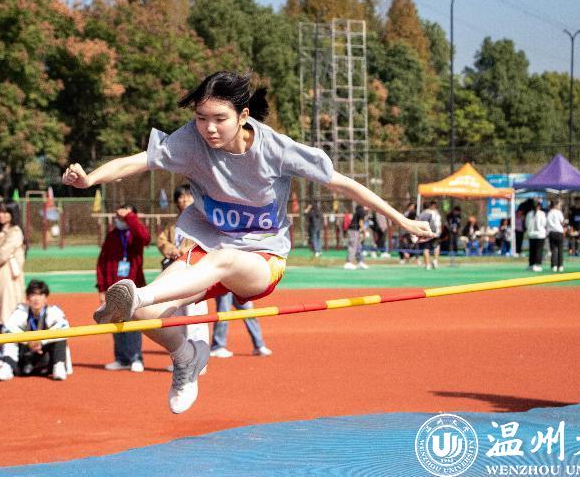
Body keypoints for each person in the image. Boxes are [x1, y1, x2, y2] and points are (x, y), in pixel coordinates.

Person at [62, 71, 432, 414]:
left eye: (219, 119)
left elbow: (343, 184)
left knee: (213, 263)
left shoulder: (276, 150)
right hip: (207, 247)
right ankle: (186, 357)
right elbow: (138, 161)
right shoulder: (191, 140)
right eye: (201, 117)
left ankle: (138, 296)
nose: (208, 128)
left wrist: (400, 220)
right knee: (144, 317)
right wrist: (90, 179)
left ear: (243, 115)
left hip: (260, 259)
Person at [97, 204, 149, 373]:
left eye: (125, 216)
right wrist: (101, 288)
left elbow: (145, 237)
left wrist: (129, 217)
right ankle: (122, 358)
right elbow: (102, 262)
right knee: (116, 322)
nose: (121, 219)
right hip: (113, 287)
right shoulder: (112, 236)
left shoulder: (136, 235)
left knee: (132, 322)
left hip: (134, 286)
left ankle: (135, 358)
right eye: (120, 216)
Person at [157, 185, 210, 352]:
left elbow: (207, 241)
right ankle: (181, 354)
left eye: (188, 196)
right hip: (175, 273)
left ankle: (198, 353)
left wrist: (187, 250)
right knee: (176, 314)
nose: (185, 199)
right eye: (181, 197)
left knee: (195, 313)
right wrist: (171, 249)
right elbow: (161, 240)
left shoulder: (203, 219)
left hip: (195, 273)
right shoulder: (172, 223)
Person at [0, 280, 72, 382]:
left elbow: (64, 327)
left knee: (60, 336)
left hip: (46, 354)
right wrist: (28, 341)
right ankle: (7, 366)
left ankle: (59, 367)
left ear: (46, 298)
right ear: (27, 297)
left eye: (40, 295)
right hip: (26, 353)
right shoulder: (21, 311)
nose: (36, 299)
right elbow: (7, 328)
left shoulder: (53, 311)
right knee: (9, 336)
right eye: (33, 295)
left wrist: (41, 341)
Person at [0, 200, 26, 332]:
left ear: (13, 214)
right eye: (0, 211)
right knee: (0, 311)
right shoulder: (0, 233)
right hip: (0, 276)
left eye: (5, 212)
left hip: (9, 278)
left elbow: (2, 254)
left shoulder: (15, 232)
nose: (0, 215)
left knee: (8, 312)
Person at [343, 205, 369, 270]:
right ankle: (348, 263)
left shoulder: (360, 210)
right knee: (353, 246)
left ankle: (360, 262)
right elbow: (361, 222)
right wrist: (364, 231)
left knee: (358, 246)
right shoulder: (362, 211)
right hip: (353, 231)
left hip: (356, 230)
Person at [418, 201, 441, 270]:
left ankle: (427, 264)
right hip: (434, 232)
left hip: (425, 232)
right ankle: (435, 260)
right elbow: (438, 223)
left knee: (426, 248)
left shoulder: (421, 214)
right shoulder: (435, 213)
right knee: (436, 246)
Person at [525, 198, 547, 272]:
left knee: (532, 250)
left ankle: (531, 264)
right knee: (539, 250)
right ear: (539, 206)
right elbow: (544, 223)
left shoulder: (529, 214)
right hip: (540, 235)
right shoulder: (541, 213)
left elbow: (526, 224)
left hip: (531, 234)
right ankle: (537, 264)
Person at [546, 199, 566, 272]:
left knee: (553, 250)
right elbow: (562, 221)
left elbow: (548, 222)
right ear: (556, 205)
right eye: (559, 205)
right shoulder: (559, 212)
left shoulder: (550, 212)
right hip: (559, 232)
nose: (560, 206)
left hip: (552, 232)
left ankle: (554, 266)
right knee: (560, 250)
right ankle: (560, 266)